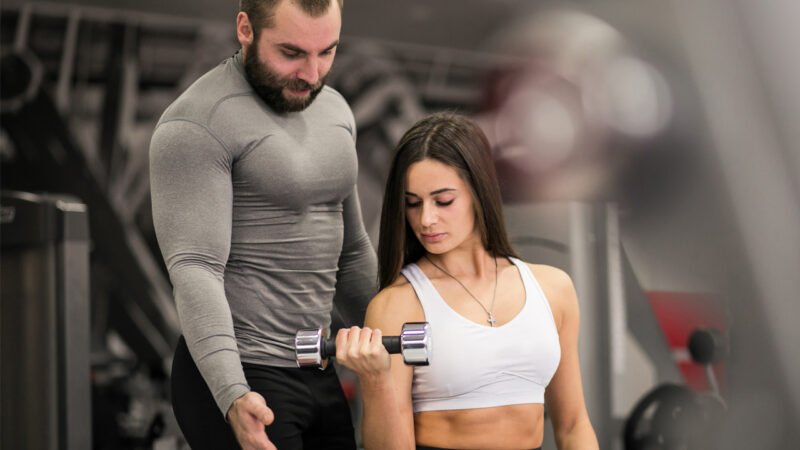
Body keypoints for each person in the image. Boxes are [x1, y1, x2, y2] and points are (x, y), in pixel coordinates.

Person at [149, 0, 377, 449]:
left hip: (318, 366)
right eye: (291, 53)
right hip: (241, 371)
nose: (311, 74)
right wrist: (233, 395)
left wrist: (402, 333)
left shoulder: (335, 110)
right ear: (245, 29)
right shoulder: (196, 121)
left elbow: (352, 252)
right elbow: (195, 267)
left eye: (327, 52)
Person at [334, 112, 599, 450]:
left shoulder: (553, 289)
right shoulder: (398, 305)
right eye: (412, 204)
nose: (426, 219)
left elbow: (574, 425)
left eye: (443, 201)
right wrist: (374, 379)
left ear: (479, 191)